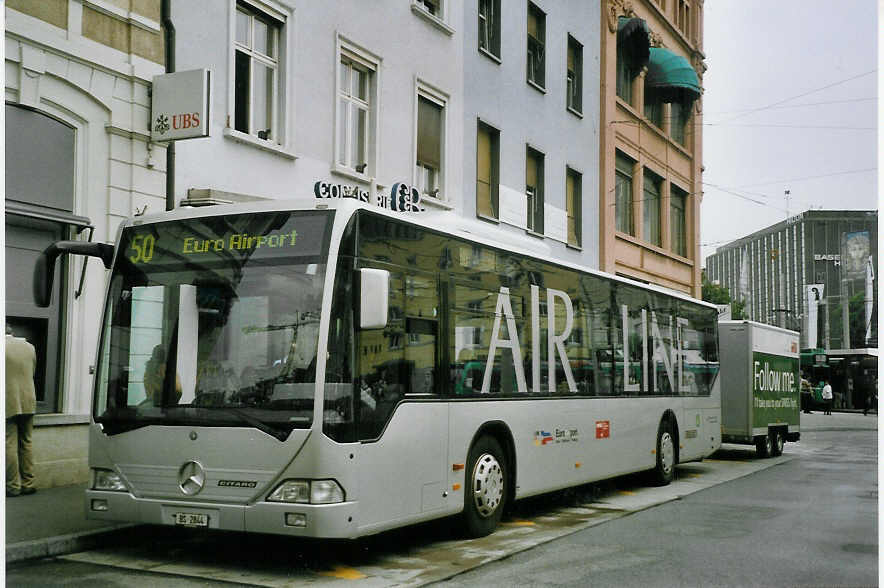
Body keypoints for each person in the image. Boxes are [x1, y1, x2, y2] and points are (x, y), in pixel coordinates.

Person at [6, 326, 37, 497]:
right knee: (26, 442)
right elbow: (32, 372)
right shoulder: (29, 347)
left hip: (8, 402)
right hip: (28, 400)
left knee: (9, 443)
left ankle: (13, 486)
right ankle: (28, 484)